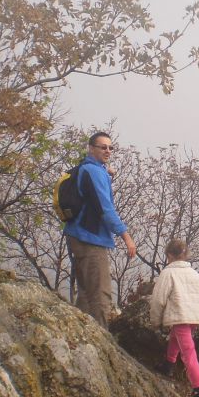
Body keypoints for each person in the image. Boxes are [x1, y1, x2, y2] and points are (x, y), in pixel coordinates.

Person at [64, 131, 136, 328]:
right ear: (91, 148)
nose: (108, 151)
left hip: (77, 235)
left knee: (86, 293)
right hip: (90, 239)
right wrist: (126, 236)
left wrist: (106, 173)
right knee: (101, 295)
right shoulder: (94, 172)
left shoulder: (88, 169)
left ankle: (82, 337)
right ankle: (103, 343)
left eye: (110, 147)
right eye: (103, 147)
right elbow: (105, 208)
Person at [149, 239, 199, 397]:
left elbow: (158, 300)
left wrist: (155, 321)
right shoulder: (194, 273)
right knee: (177, 337)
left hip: (180, 315)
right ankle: (168, 363)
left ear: (169, 255)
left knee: (188, 352)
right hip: (193, 316)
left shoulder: (168, 273)